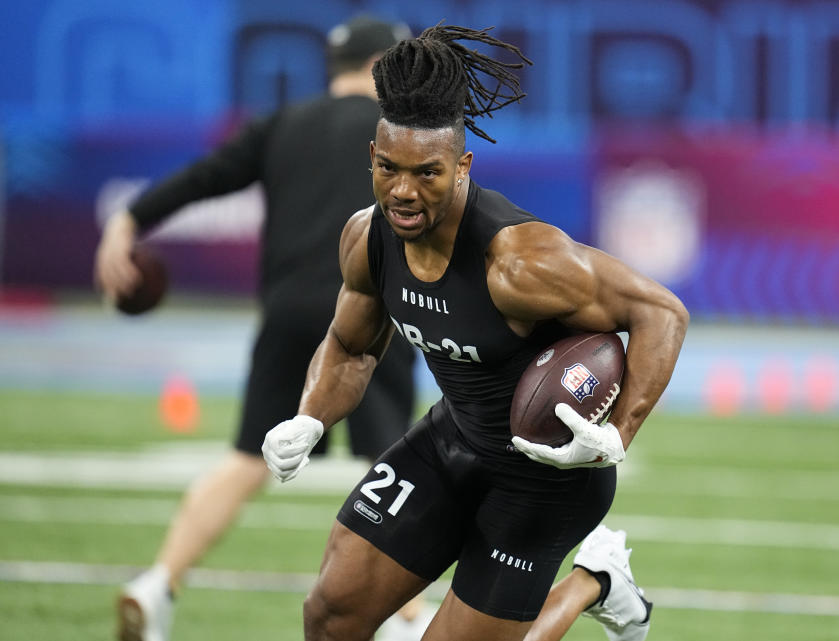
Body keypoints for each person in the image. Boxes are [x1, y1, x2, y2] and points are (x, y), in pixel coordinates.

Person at [260, 23, 688, 641]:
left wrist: (616, 436)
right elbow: (352, 345)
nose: (403, 192)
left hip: (545, 480)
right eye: (389, 169)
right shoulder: (367, 236)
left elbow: (662, 313)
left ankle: (595, 579)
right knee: (329, 617)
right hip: (451, 440)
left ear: (462, 166)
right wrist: (309, 418)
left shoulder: (521, 262)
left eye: (426, 173)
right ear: (371, 158)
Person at [93, 15, 431, 641]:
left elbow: (202, 178)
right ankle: (406, 619)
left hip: (287, 310)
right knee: (395, 468)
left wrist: (128, 221)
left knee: (246, 458)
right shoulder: (401, 135)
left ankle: (159, 582)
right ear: (387, 66)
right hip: (369, 315)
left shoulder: (283, 124)